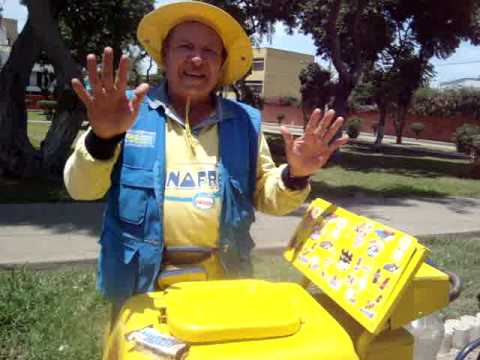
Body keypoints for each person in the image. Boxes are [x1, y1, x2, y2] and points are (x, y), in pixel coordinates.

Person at [64, 1, 348, 313]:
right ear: (165, 56)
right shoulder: (126, 110)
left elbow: (269, 197)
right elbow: (81, 189)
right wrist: (103, 138)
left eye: (210, 51)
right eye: (185, 46)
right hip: (139, 291)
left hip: (222, 288)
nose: (197, 59)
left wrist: (296, 175)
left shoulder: (245, 122)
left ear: (222, 63)